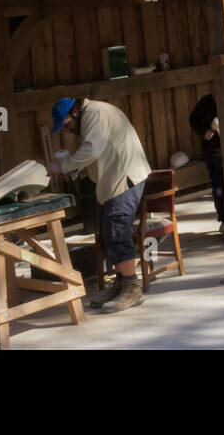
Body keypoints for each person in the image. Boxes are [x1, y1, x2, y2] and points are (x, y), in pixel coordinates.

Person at [47, 96, 152, 314]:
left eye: (66, 125)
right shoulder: (92, 118)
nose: (66, 131)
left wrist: (64, 165)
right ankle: (122, 283)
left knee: (116, 233)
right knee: (107, 236)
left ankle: (132, 288)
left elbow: (92, 150)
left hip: (124, 178)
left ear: (74, 113)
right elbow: (97, 155)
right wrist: (73, 169)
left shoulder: (95, 113)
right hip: (113, 181)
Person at [189, 93, 224, 231]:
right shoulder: (206, 102)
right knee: (219, 186)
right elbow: (193, 119)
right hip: (214, 150)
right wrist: (206, 131)